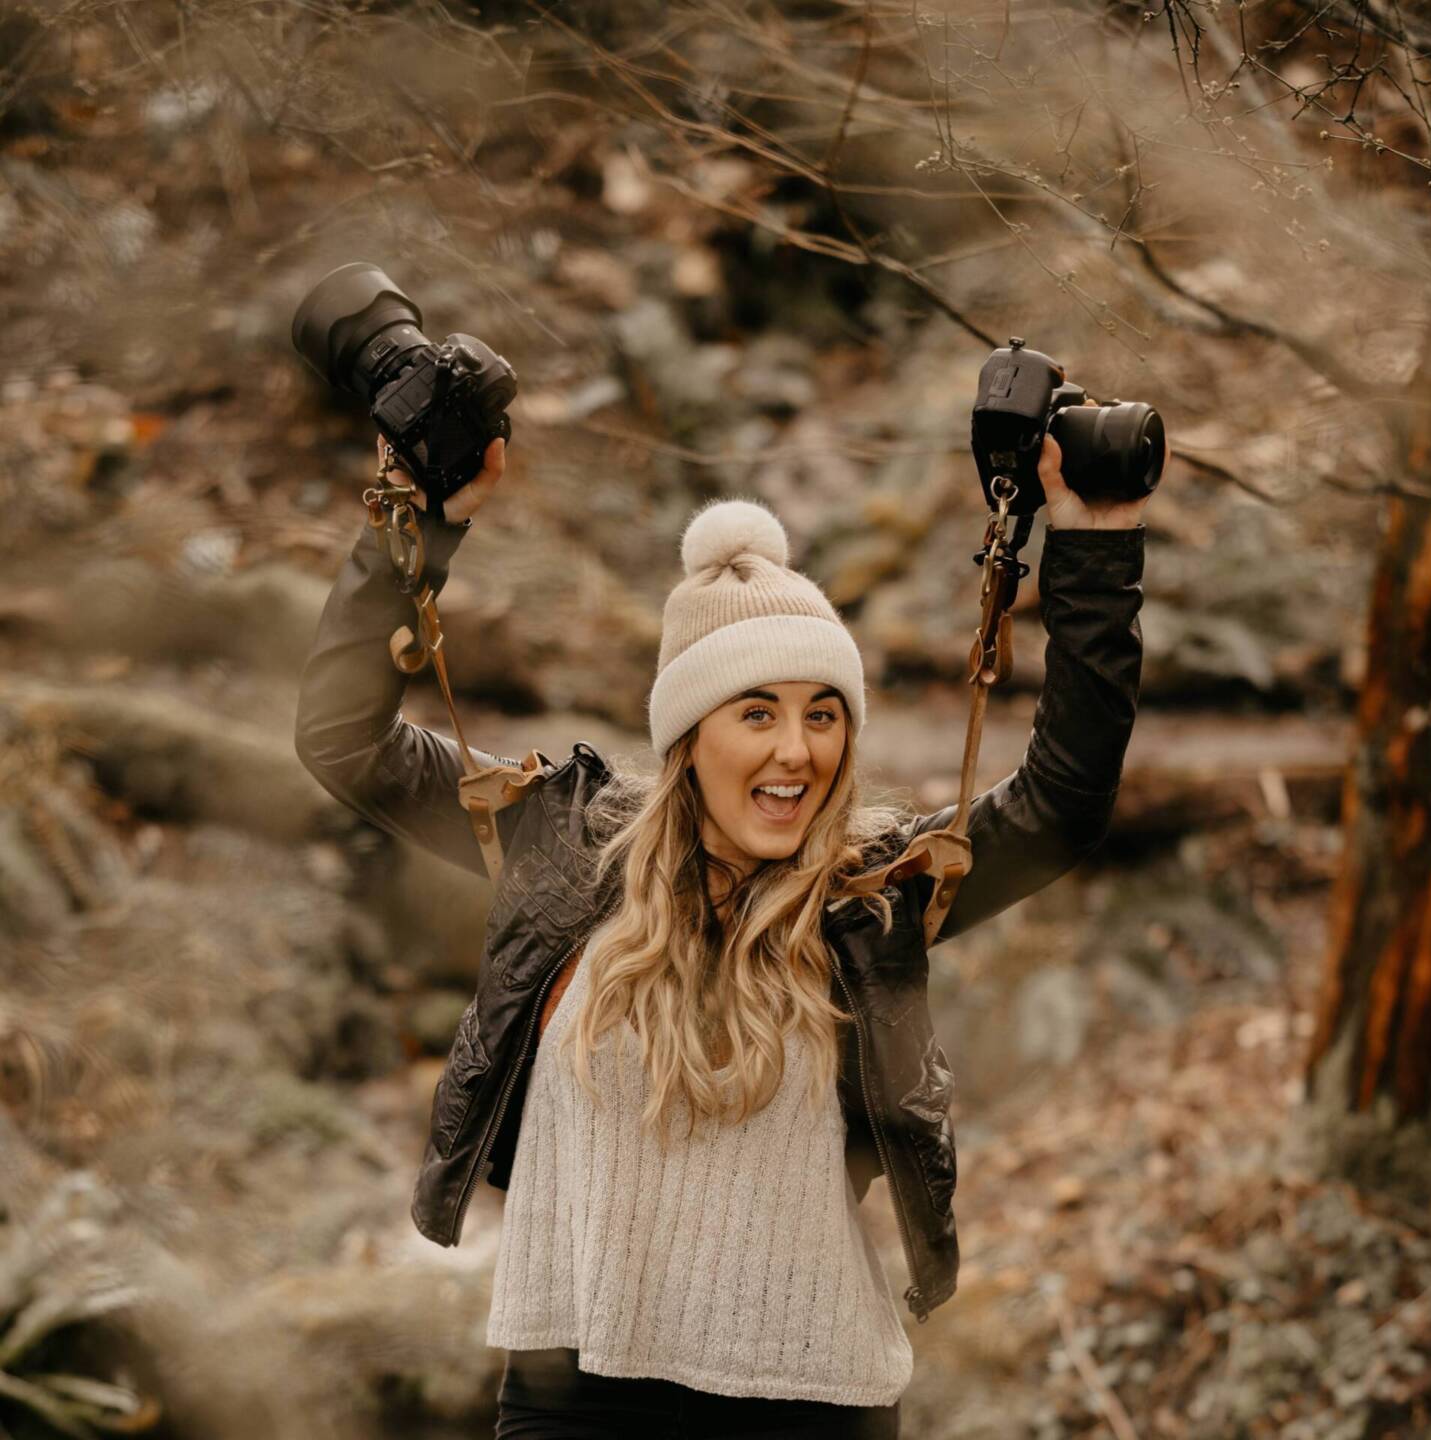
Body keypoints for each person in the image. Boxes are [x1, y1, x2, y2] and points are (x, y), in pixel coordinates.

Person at [294, 423, 1151, 1439]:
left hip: (813, 1404)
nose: (799, 751)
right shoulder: (563, 847)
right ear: (687, 732)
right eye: (756, 712)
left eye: (823, 714)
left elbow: (1062, 802)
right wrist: (421, 521)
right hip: (570, 1400)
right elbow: (344, 737)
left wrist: (1094, 545)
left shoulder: (870, 900)